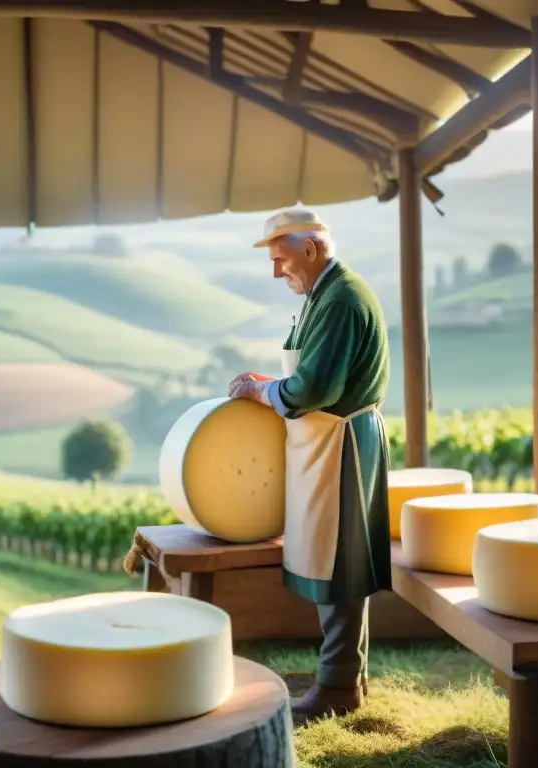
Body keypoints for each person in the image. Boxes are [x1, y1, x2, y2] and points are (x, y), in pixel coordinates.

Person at [228, 208, 391, 725]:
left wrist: (261, 391)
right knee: (333, 557)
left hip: (339, 445)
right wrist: (267, 387)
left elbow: (317, 388)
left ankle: (337, 686)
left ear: (312, 249)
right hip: (324, 445)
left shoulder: (341, 299)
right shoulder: (324, 294)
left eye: (281, 260)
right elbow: (307, 371)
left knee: (339, 564)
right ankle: (349, 676)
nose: (278, 273)